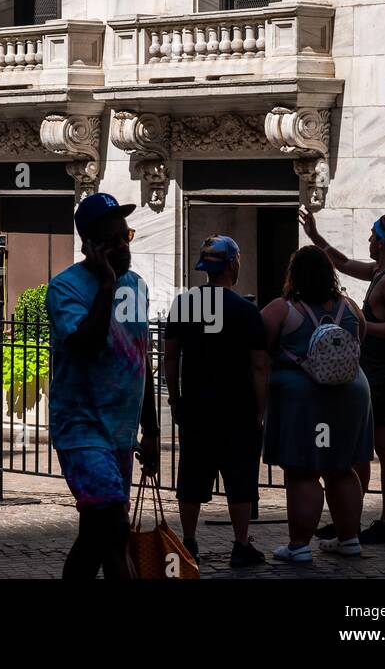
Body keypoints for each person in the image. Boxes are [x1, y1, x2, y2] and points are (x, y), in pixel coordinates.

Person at [46, 193, 160, 580]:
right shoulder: (65, 289)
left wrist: (153, 430)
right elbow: (84, 344)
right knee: (113, 530)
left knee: (96, 534)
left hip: (120, 434)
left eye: (125, 236)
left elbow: (140, 359)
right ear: (90, 246)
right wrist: (108, 286)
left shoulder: (139, 287)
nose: (123, 246)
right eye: (112, 240)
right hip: (81, 429)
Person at [301, 209, 385, 546]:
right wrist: (317, 239)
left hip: (381, 374)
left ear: (381, 242)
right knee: (360, 449)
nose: (368, 239)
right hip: (370, 373)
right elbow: (345, 264)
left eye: (372, 235)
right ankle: (348, 517)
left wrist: (361, 324)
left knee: (384, 449)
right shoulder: (380, 271)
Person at [262, 245, 373, 562]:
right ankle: (349, 538)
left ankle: (299, 546)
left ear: (293, 275)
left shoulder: (283, 309)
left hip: (304, 400)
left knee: (303, 471)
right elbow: (359, 339)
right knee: (341, 468)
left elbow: (257, 346)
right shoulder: (349, 308)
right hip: (350, 395)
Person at [164, 235, 269, 568]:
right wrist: (261, 409)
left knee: (191, 475)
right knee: (240, 478)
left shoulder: (183, 304)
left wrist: (175, 398)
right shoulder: (246, 310)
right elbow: (259, 365)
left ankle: (190, 542)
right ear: (233, 264)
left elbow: (170, 357)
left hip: (195, 405)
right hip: (238, 407)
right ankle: (241, 543)